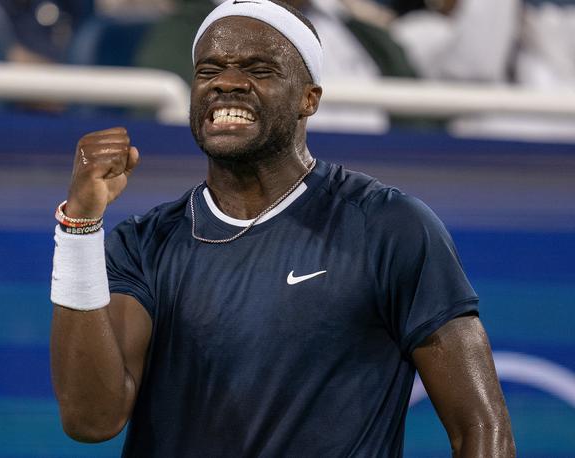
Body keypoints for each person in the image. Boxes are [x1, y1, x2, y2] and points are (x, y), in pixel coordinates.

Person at [49, 0, 516, 455]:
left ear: (308, 99)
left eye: (259, 70)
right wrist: (80, 228)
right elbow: (92, 421)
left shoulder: (390, 227)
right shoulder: (142, 244)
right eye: (208, 71)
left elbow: (481, 427)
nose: (228, 83)